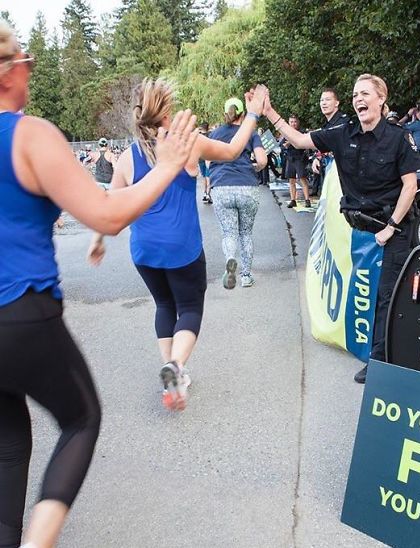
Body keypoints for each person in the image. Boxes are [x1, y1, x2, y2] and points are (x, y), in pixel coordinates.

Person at [0, 21, 198, 548]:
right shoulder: (28, 133)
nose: (30, 68)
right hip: (19, 311)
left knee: (8, 439)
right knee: (80, 419)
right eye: (24, 59)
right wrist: (170, 166)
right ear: (6, 74)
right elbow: (108, 214)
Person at [87, 79, 267, 411]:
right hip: (182, 248)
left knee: (164, 306)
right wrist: (254, 113)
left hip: (144, 251)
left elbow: (110, 202)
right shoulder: (188, 143)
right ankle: (176, 367)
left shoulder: (128, 157)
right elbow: (231, 151)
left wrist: (98, 240)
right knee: (189, 308)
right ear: (166, 114)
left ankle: (173, 373)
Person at [263, 73, 420, 383]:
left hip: (393, 230)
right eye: (354, 95)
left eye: (365, 93)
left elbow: (410, 186)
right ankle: (365, 344)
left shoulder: (398, 137)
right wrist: (269, 112)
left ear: (381, 99)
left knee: (386, 297)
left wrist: (391, 227)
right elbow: (298, 140)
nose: (358, 99)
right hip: (361, 230)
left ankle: (380, 363)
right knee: (362, 289)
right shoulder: (342, 132)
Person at [208, 97, 268, 289]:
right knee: (246, 233)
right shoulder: (250, 133)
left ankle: (231, 261)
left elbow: (209, 162)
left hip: (222, 187)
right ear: (242, 114)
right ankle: (246, 276)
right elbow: (262, 160)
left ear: (226, 113)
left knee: (229, 233)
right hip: (247, 186)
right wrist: (254, 168)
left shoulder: (215, 134)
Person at [311, 88, 349, 195]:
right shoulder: (327, 125)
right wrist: (317, 157)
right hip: (329, 172)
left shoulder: (342, 123)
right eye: (322, 100)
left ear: (337, 103)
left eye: (327, 99)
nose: (324, 103)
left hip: (342, 178)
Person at [283, 114, 311, 208]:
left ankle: (307, 200)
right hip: (290, 158)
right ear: (288, 122)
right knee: (291, 180)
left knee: (302, 179)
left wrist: (290, 143)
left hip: (300, 158)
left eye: (295, 122)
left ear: (297, 122)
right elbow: (281, 145)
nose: (293, 123)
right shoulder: (286, 133)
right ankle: (293, 200)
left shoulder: (301, 132)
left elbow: (303, 143)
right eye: (291, 122)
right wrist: (285, 146)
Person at [198, 122, 213, 203]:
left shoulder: (199, 137)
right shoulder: (210, 136)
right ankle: (208, 194)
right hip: (208, 158)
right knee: (209, 177)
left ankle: (204, 193)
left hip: (200, 159)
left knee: (204, 177)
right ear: (208, 127)